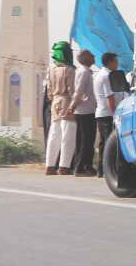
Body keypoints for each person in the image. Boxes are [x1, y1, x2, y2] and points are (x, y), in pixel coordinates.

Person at [45, 41, 78, 175]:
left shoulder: (51, 69)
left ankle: (50, 166)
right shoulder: (70, 70)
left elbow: (49, 91)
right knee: (67, 135)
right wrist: (74, 105)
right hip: (66, 101)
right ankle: (64, 166)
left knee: (54, 135)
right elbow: (72, 90)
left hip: (55, 102)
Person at [93, 52, 122, 177]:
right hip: (107, 114)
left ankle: (101, 169)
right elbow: (110, 97)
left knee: (103, 142)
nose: (117, 63)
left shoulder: (101, 74)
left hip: (102, 113)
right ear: (110, 62)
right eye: (116, 61)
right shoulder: (107, 76)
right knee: (109, 142)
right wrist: (115, 114)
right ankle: (107, 169)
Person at [71, 49, 97, 176]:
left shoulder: (86, 72)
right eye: (92, 55)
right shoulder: (84, 72)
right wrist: (72, 106)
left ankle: (86, 165)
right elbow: (79, 91)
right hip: (84, 111)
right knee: (85, 140)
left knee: (87, 140)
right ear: (85, 58)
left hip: (87, 110)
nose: (94, 57)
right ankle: (81, 167)